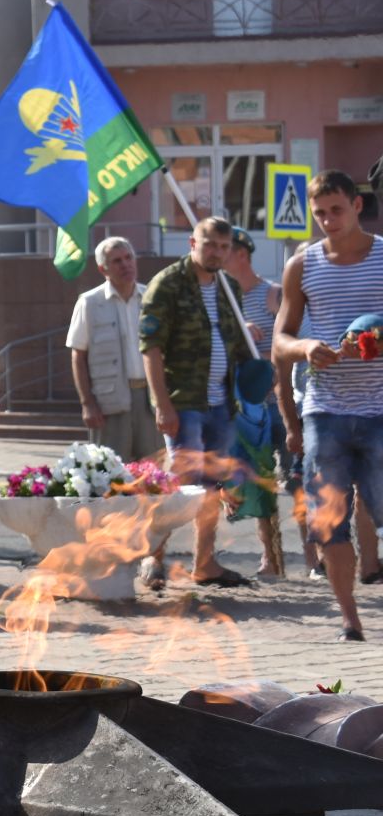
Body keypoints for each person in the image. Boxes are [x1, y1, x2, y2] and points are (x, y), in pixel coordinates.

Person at [273, 171, 383, 641]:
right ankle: (350, 621)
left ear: (357, 205)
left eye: (335, 210)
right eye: (319, 213)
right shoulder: (302, 265)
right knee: (329, 524)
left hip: (380, 411)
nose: (326, 220)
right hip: (325, 411)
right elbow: (280, 341)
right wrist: (306, 347)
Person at [140, 215, 255, 588]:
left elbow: (235, 344)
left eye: (224, 247)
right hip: (183, 401)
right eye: (210, 244)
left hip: (221, 404)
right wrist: (162, 404)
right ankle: (153, 557)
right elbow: (151, 348)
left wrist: (249, 342)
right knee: (178, 484)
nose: (217, 253)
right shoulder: (167, 284)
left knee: (212, 487)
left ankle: (204, 563)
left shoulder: (229, 288)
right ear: (192, 243)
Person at [224, 227, 285, 576]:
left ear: (242, 255)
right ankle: (269, 558)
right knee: (254, 478)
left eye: (225, 251)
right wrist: (241, 331)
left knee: (293, 479)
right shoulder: (222, 298)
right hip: (243, 407)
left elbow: (285, 345)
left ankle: (310, 560)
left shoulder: (271, 294)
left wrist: (266, 365)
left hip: (276, 403)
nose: (219, 258)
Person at [66, 237, 155, 459]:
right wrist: (87, 404)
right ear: (102, 268)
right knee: (111, 475)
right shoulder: (89, 302)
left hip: (150, 400)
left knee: (152, 475)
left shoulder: (152, 298)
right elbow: (78, 355)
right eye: (117, 261)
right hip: (110, 402)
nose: (125, 264)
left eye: (128, 258)